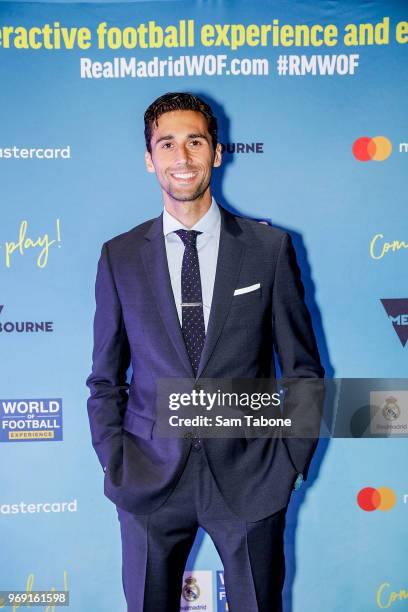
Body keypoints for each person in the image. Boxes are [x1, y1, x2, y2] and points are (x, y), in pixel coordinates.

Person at [86, 92, 324, 612]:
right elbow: (105, 378)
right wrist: (116, 460)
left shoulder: (269, 250)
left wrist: (290, 462)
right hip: (149, 479)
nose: (182, 157)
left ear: (216, 152)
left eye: (195, 141)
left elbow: (303, 370)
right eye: (166, 144)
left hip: (250, 478)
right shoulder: (119, 256)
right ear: (150, 159)